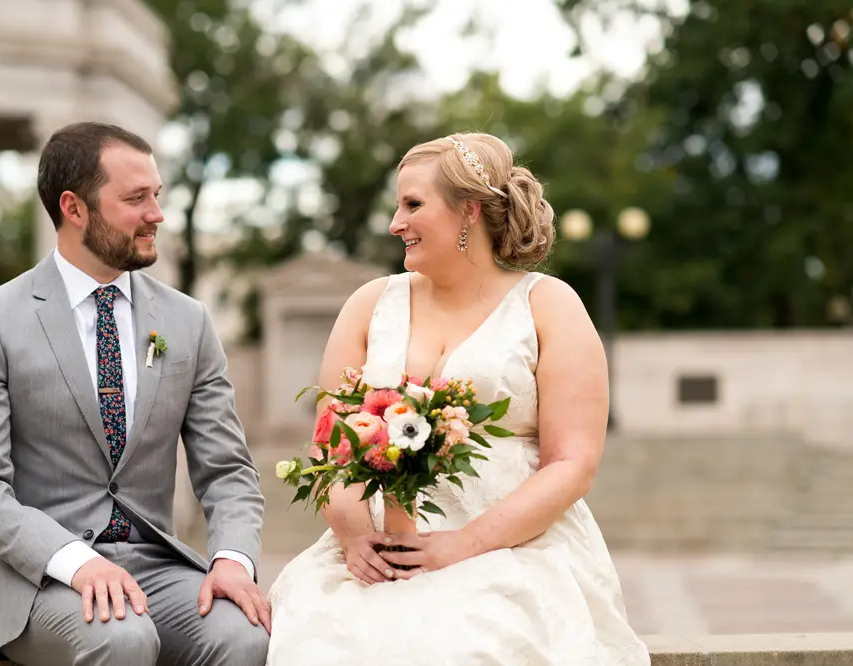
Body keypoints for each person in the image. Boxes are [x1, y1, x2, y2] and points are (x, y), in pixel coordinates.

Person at [265, 133, 651, 665]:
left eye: (413, 204)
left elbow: (573, 464)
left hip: (515, 548)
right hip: (376, 548)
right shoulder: (368, 305)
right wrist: (358, 540)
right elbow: (332, 443)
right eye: (396, 205)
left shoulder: (550, 306)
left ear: (468, 212)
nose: (395, 223)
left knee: (471, 641)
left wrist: (464, 544)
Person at [0, 121, 270, 666]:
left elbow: (228, 471)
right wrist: (75, 561)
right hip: (40, 578)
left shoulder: (187, 321)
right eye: (136, 199)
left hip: (158, 570)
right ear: (74, 208)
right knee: (122, 638)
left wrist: (232, 559)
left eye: (157, 196)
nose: (156, 215)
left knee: (246, 635)